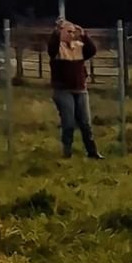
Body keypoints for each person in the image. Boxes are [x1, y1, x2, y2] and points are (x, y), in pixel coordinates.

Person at [47, 19, 103, 159]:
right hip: (63, 90)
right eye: (68, 32)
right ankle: (67, 151)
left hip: (80, 89)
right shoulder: (57, 49)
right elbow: (51, 46)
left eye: (73, 32)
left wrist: (83, 35)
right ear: (61, 32)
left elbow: (92, 50)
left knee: (85, 123)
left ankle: (92, 152)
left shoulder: (79, 46)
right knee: (69, 122)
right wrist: (57, 33)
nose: (71, 35)